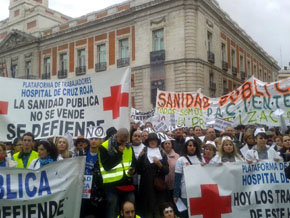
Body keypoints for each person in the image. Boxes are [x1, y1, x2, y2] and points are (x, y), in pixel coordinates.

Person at [99, 128, 136, 218]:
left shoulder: (129, 146)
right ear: (116, 136)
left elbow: (133, 162)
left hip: (126, 184)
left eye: (125, 141)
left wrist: (133, 170)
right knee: (112, 208)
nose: (123, 143)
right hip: (111, 185)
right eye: (121, 141)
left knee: (130, 208)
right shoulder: (104, 146)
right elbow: (107, 166)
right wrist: (119, 154)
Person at [137, 133, 169, 218]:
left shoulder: (162, 153)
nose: (152, 142)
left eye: (154, 140)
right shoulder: (144, 151)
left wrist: (159, 164)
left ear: (157, 142)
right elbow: (138, 170)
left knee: (158, 211)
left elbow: (166, 171)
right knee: (148, 212)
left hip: (158, 187)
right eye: (150, 140)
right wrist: (140, 157)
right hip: (146, 188)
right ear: (148, 142)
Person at [173, 139, 202, 218]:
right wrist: (175, 194)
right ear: (186, 147)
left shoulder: (200, 159)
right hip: (185, 193)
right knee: (185, 215)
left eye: (194, 145)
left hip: (198, 193)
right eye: (190, 145)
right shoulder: (181, 160)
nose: (192, 147)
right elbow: (177, 179)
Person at [81, 134, 105, 218]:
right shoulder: (82, 153)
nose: (93, 141)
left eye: (96, 139)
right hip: (82, 189)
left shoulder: (103, 155)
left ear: (101, 141)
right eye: (91, 138)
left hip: (97, 192)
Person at [162, 138, 179, 204]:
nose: (167, 145)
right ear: (163, 145)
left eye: (169, 143)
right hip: (163, 185)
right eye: (165, 143)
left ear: (172, 145)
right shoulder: (159, 155)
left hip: (174, 184)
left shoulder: (177, 156)